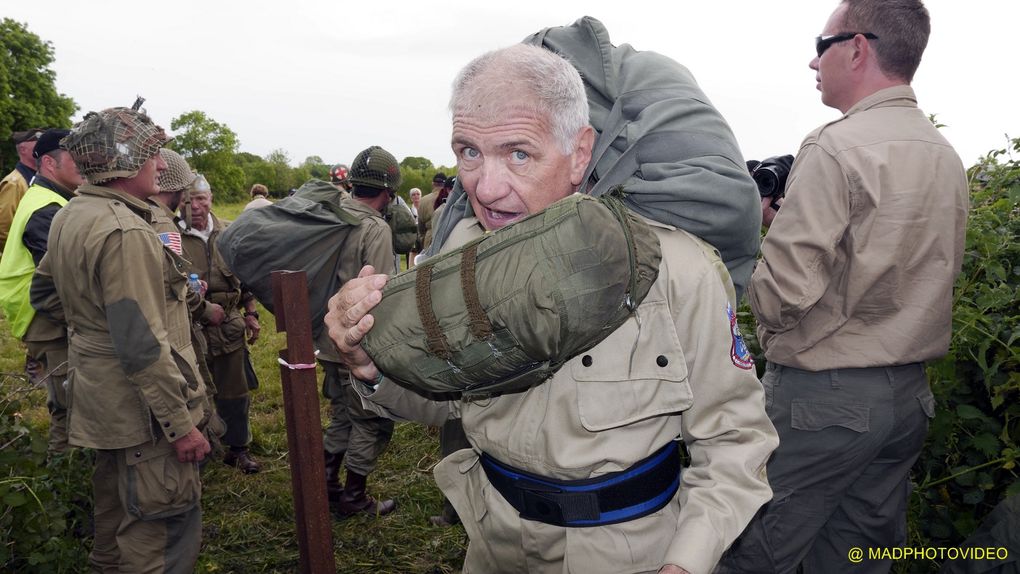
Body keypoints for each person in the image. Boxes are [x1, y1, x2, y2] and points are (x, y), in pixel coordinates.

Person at [325, 44, 777, 574]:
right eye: (469, 151)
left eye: (518, 153)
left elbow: (734, 442)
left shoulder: (673, 268)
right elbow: (442, 402)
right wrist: (368, 366)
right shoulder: (461, 260)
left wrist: (685, 562)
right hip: (493, 540)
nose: (484, 187)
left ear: (579, 152)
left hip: (629, 553)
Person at [719, 2, 969, 573]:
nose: (813, 59)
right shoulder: (942, 152)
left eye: (822, 42)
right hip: (906, 399)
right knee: (858, 556)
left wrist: (767, 234)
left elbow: (781, 298)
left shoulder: (835, 147)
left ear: (857, 47)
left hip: (822, 406)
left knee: (752, 553)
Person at [29, 107, 211, 572]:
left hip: (104, 399)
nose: (159, 166)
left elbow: (44, 293)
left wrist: (91, 338)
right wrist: (181, 426)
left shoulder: (75, 212)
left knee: (112, 521)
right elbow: (142, 346)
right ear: (125, 165)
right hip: (144, 412)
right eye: (151, 156)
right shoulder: (126, 230)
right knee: (160, 531)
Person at [317, 145, 401, 518]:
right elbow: (382, 295)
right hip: (360, 346)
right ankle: (354, 496)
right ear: (388, 191)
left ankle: (327, 484)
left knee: (341, 415)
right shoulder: (376, 229)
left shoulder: (330, 216)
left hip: (327, 339)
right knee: (369, 420)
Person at [0, 128, 81, 453]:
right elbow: (62, 277)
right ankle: (67, 489)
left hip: (40, 314)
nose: (84, 164)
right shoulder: (46, 208)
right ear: (49, 162)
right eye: (75, 157)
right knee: (69, 406)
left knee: (66, 402)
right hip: (44, 317)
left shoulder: (51, 197)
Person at [179, 175, 262, 474]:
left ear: (211, 198)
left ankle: (238, 448)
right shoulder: (170, 236)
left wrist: (251, 313)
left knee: (235, 392)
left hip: (229, 326)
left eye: (201, 199)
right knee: (193, 393)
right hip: (190, 329)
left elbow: (247, 277)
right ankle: (200, 452)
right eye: (189, 200)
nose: (196, 206)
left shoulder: (229, 231)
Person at [0, 128, 44, 252]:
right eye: (37, 145)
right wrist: (23, 251)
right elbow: (3, 229)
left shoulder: (36, 178)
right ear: (23, 149)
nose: (42, 149)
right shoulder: (14, 183)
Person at [416, 172, 445, 251]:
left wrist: (423, 240)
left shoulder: (423, 200)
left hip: (430, 237)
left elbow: (421, 226)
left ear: (433, 184)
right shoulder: (451, 198)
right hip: (447, 236)